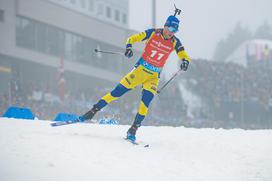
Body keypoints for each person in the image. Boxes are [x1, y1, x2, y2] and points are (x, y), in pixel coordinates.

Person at [78, 15, 191, 142]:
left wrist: (185, 61)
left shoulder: (175, 42)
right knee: (116, 93)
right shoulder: (153, 33)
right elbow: (131, 39)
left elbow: (184, 55)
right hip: (139, 72)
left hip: (153, 77)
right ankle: (92, 112)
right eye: (170, 28)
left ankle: (133, 130)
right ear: (165, 26)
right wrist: (129, 48)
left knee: (145, 103)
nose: (172, 32)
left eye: (175, 30)